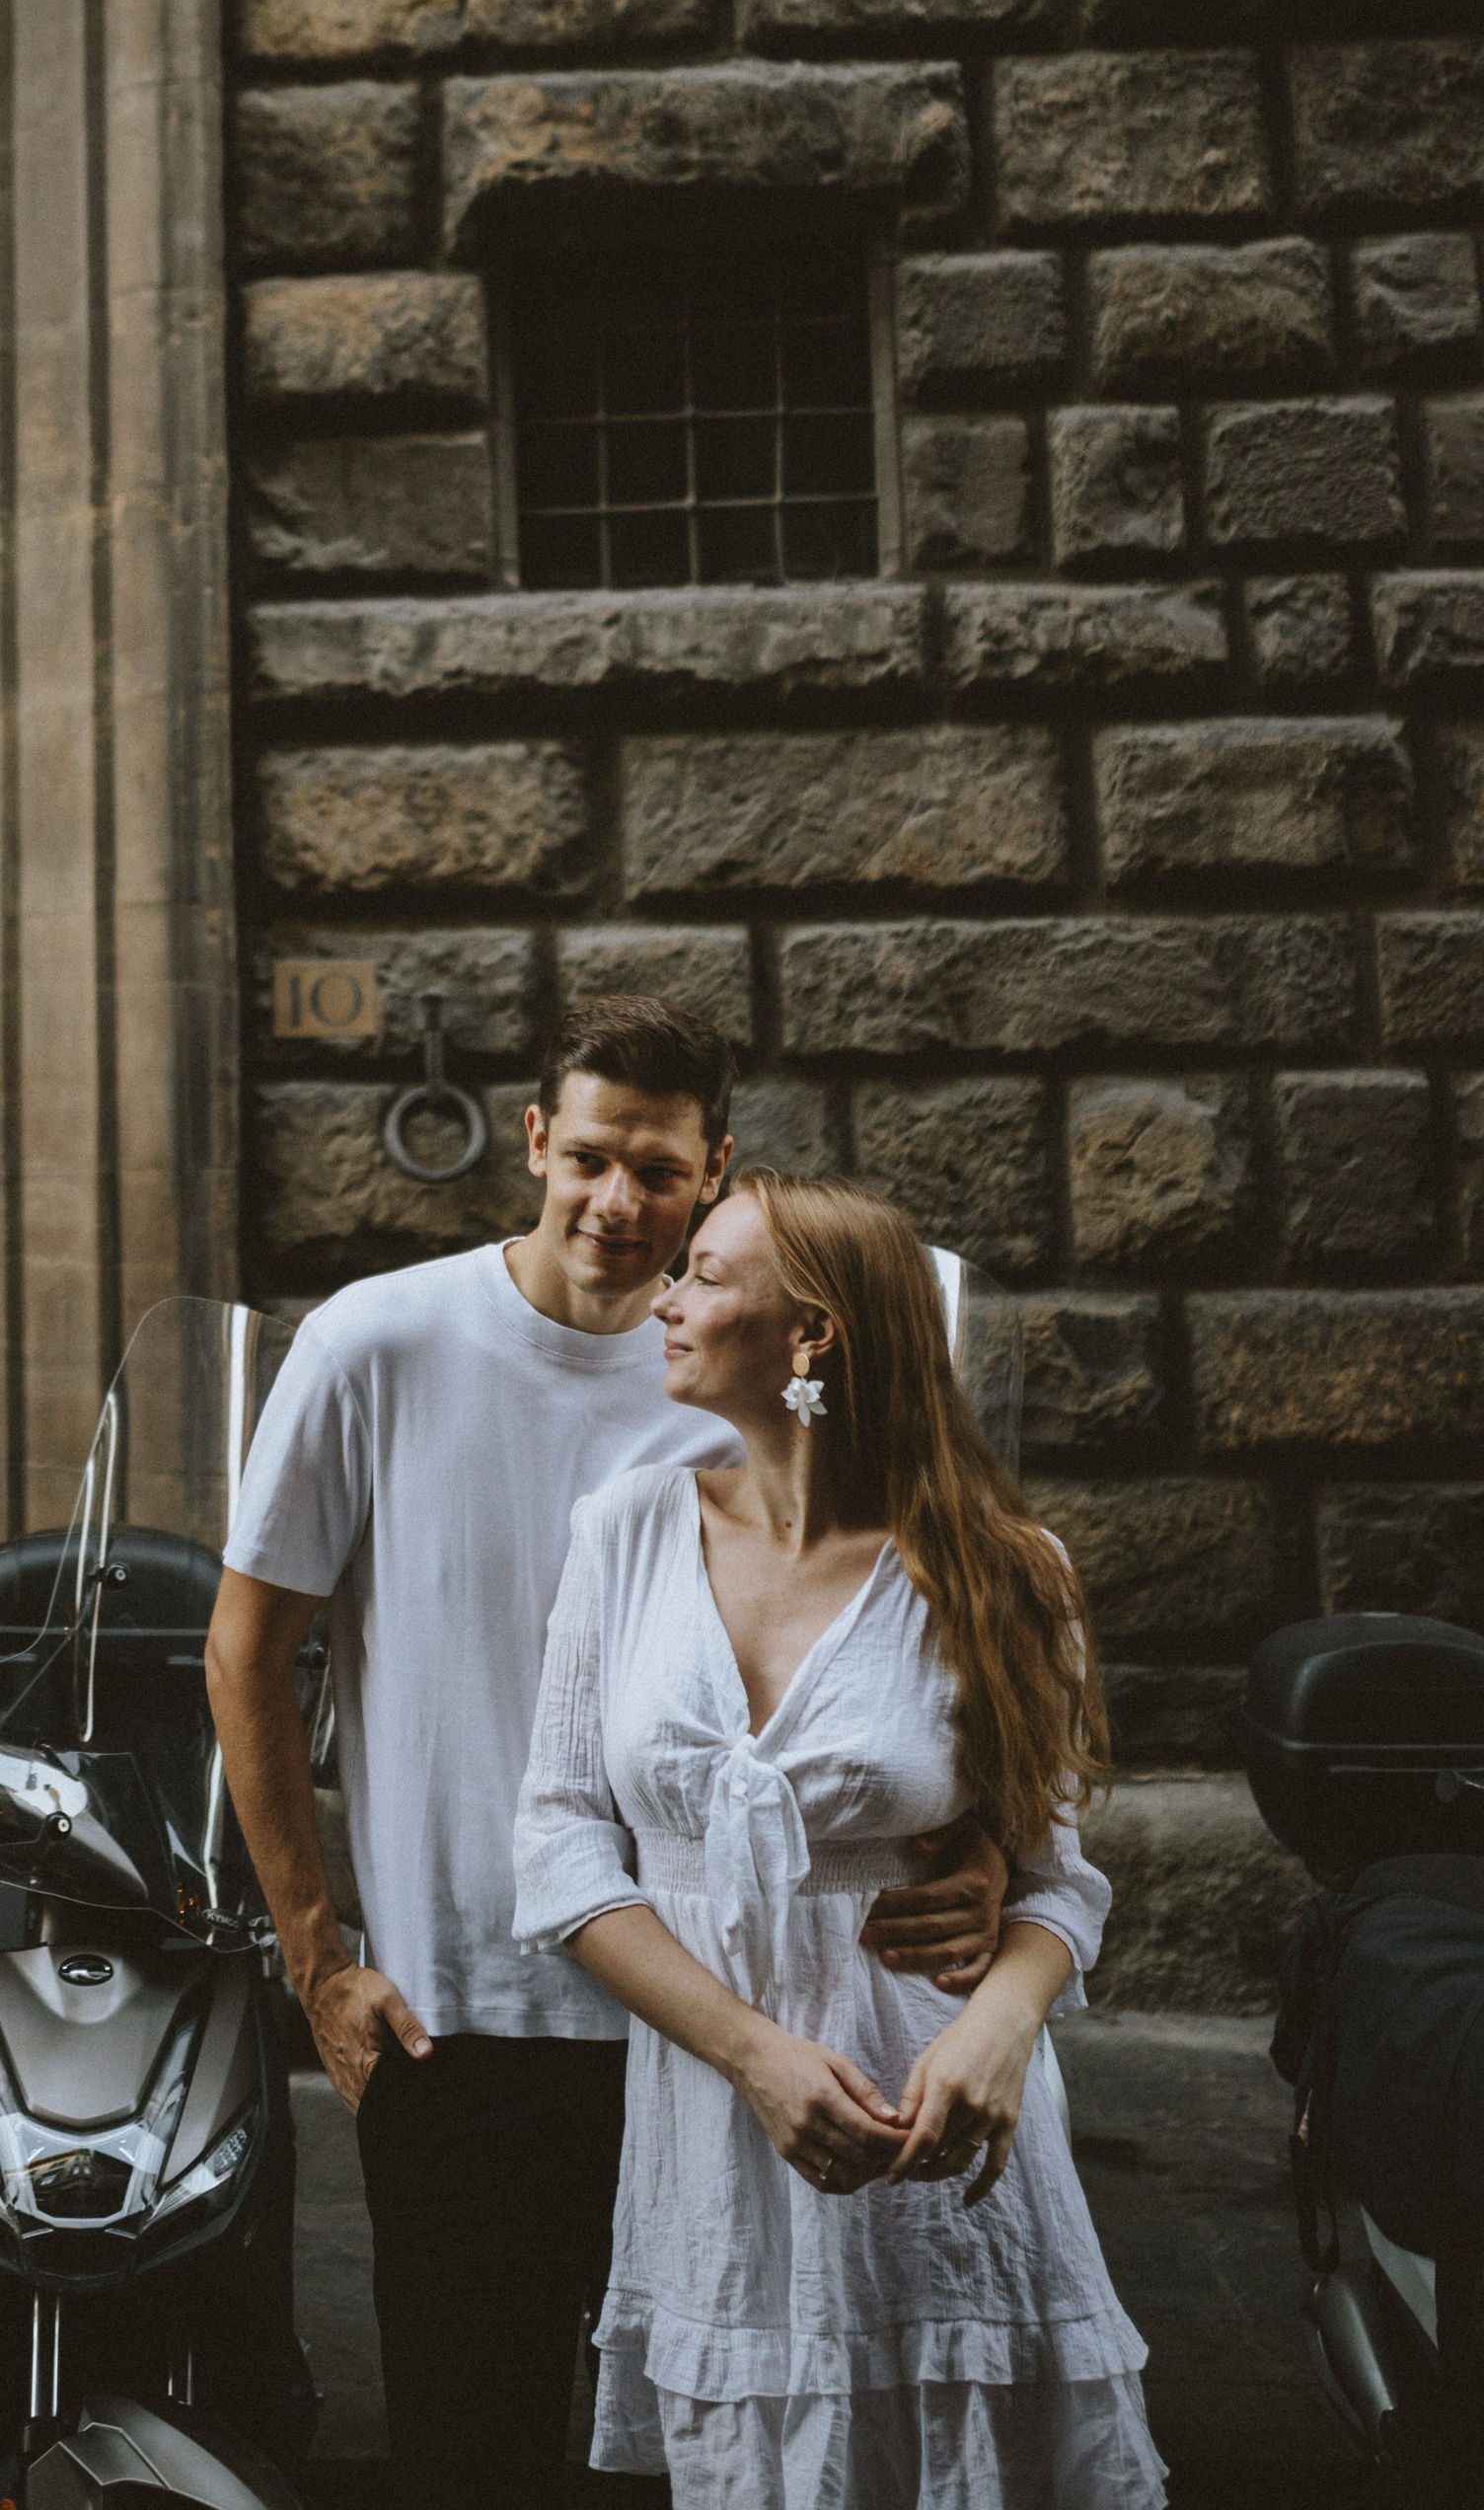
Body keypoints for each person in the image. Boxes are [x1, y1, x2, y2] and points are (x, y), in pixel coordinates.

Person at [206, 1003, 1011, 2510]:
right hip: (466, 2016)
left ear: (713, 1170)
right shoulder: (376, 1340)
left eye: (660, 1171)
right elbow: (246, 1652)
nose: (620, 1204)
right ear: (534, 1143)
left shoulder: (743, 1350)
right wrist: (316, 1960)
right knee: (472, 2446)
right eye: (589, 1158)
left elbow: (924, 1617)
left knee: (739, 2458)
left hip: (746, 2008)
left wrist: (981, 1850)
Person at [513, 1166, 1164, 2508]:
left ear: (810, 1335)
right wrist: (753, 2057)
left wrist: (997, 2031)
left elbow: (1057, 1882)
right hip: (722, 2137)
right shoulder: (627, 1532)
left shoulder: (1003, 1568)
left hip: (942, 2144)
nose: (667, 1299)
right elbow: (564, 1847)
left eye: (703, 1274)